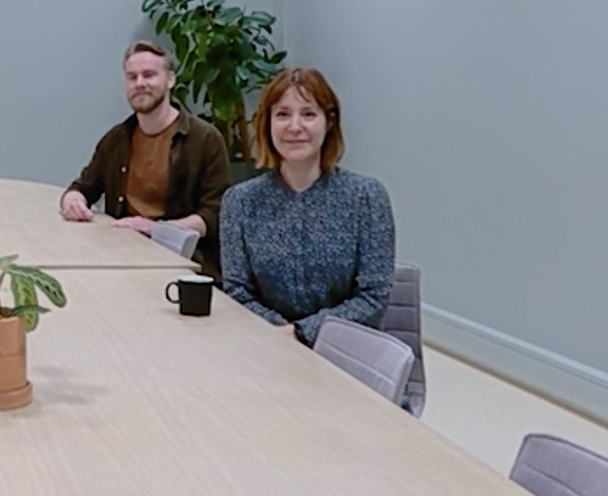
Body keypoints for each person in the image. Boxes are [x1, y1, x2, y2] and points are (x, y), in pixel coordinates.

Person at [220, 67, 395, 348]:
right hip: (264, 346)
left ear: (329, 123)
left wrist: (302, 332)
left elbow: (374, 296)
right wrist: (278, 333)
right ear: (267, 124)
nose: (294, 126)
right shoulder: (239, 201)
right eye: (283, 114)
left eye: (309, 114)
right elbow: (236, 291)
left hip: (344, 352)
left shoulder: (366, 198)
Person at [60, 41, 231, 279]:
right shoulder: (116, 139)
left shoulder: (205, 139)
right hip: (122, 257)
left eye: (149, 75)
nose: (139, 84)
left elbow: (214, 215)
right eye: (132, 77)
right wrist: (73, 201)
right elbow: (83, 187)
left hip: (181, 264)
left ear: (170, 80)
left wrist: (157, 230)